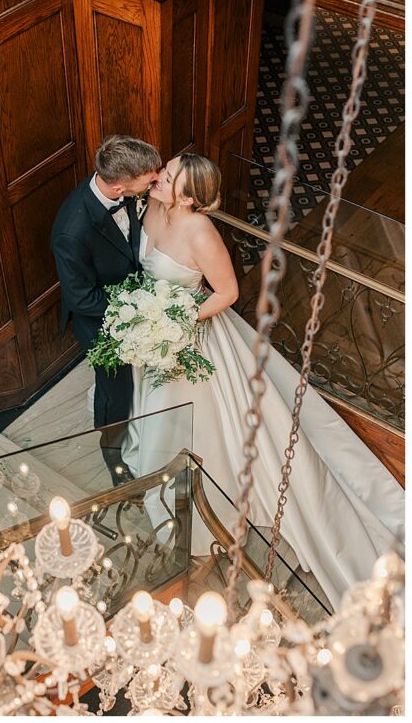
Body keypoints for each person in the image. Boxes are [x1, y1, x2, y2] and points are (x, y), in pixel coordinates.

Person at [123, 153, 404, 607]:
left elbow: (228, 292)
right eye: (164, 171)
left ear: (190, 197)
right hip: (154, 332)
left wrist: (178, 321)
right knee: (157, 407)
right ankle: (155, 476)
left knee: (197, 421)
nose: (158, 178)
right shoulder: (153, 205)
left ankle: (202, 502)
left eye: (169, 177)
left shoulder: (200, 232)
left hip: (187, 336)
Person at [51, 135, 161, 485]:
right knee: (115, 393)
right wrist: (135, 308)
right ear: (118, 188)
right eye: (150, 178)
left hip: (136, 300)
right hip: (101, 323)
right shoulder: (72, 230)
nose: (156, 179)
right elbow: (82, 300)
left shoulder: (123, 188)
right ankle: (113, 459)